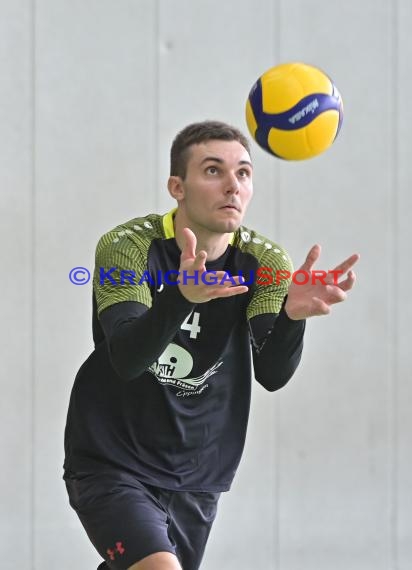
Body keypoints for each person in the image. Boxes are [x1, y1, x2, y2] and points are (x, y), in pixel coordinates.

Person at [63, 120, 359, 570]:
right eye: (213, 171)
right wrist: (181, 296)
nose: (232, 186)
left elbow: (272, 374)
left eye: (243, 173)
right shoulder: (127, 247)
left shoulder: (265, 260)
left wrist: (292, 318)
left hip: (197, 470)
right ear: (177, 187)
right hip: (112, 458)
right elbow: (126, 357)